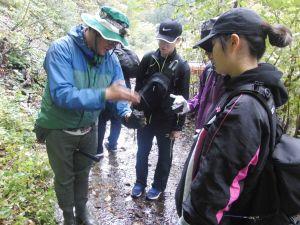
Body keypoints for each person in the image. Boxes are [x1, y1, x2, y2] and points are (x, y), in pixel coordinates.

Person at [175, 7, 292, 225]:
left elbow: (216, 188)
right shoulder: (257, 90)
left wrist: (192, 220)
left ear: (233, 42)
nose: (210, 54)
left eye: (213, 45)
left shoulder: (243, 108)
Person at [34, 6, 140, 225]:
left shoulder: (110, 59)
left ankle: (82, 211)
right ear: (93, 30)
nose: (113, 46)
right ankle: (68, 216)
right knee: (64, 178)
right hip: (58, 128)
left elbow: (119, 90)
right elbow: (62, 95)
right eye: (109, 40)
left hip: (89, 129)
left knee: (83, 174)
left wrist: (127, 114)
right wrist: (105, 94)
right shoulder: (61, 50)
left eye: (116, 43)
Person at [131, 19, 190, 200]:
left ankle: (158, 186)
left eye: (168, 41)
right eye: (160, 40)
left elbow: (183, 100)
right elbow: (138, 88)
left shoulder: (182, 66)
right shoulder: (148, 59)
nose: (163, 45)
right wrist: (135, 113)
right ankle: (140, 182)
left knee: (165, 156)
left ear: (178, 40)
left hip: (167, 119)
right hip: (146, 117)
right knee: (142, 151)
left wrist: (178, 127)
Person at [171, 18, 225, 131]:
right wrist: (189, 105)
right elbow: (201, 97)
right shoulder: (209, 70)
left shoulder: (236, 78)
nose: (208, 55)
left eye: (211, 48)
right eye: (205, 49)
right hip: (201, 132)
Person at [97, 44, 140, 156]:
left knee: (101, 120)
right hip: (123, 91)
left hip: (109, 91)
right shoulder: (126, 53)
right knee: (116, 120)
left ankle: (98, 150)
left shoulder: (109, 54)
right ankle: (113, 145)